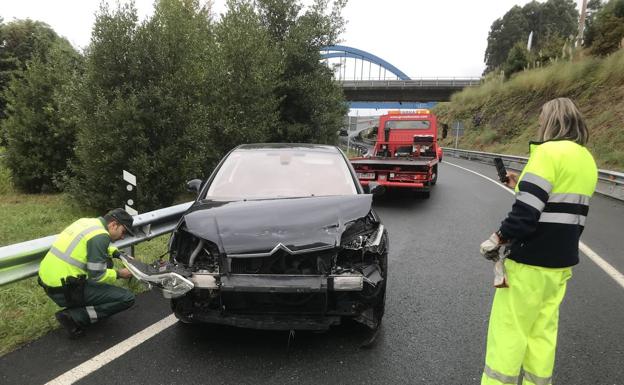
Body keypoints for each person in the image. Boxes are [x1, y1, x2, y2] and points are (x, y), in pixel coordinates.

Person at [479, 98, 598, 385]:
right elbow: (559, 199)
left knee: (509, 332)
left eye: (542, 120)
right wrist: (518, 182)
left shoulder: (546, 154)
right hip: (559, 265)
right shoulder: (586, 160)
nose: (540, 125)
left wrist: (497, 238)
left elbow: (525, 214)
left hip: (529, 263)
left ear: (552, 122)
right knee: (542, 334)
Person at [38, 208, 136, 338]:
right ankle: (74, 317)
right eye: (123, 232)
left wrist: (119, 254)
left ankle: (85, 306)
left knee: (107, 262)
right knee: (127, 298)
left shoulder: (87, 222)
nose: (123, 236)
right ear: (113, 224)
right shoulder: (101, 236)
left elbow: (97, 246)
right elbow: (98, 276)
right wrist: (120, 274)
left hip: (48, 281)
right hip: (65, 290)